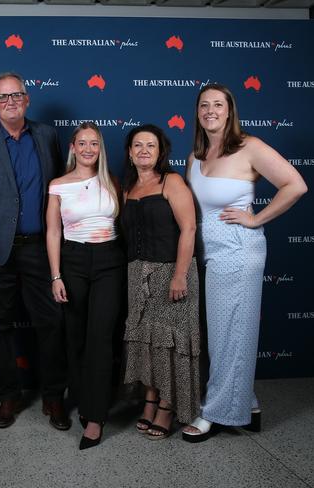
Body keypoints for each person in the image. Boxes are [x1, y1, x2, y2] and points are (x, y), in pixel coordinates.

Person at [183, 84, 307, 442]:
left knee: (227, 336)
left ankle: (216, 412)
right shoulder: (196, 155)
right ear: (197, 112)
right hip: (207, 250)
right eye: (204, 105)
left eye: (218, 104)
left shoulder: (249, 146)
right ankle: (247, 404)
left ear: (229, 110)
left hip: (238, 248)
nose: (210, 110)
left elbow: (294, 185)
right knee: (224, 333)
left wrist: (256, 219)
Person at [0, 72, 69, 430]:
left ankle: (53, 396)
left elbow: (59, 190)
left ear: (27, 99)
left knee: (51, 324)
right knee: (1, 327)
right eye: (2, 97)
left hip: (40, 250)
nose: (10, 102)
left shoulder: (48, 136)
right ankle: (9, 395)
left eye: (16, 95)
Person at [46, 122, 125, 449]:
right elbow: (53, 232)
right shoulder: (58, 185)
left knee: (101, 338)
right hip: (73, 261)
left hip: (109, 261)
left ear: (100, 148)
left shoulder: (112, 182)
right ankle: (80, 395)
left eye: (94, 143)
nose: (89, 148)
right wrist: (56, 275)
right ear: (73, 147)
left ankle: (95, 417)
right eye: (83, 143)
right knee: (74, 337)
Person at [120, 124, 200, 440]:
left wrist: (180, 275)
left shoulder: (172, 181)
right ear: (129, 152)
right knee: (148, 345)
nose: (143, 150)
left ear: (160, 151)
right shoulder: (126, 188)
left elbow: (189, 229)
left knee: (169, 344)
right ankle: (151, 400)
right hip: (137, 276)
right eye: (137, 145)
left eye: (150, 145)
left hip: (171, 274)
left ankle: (168, 407)